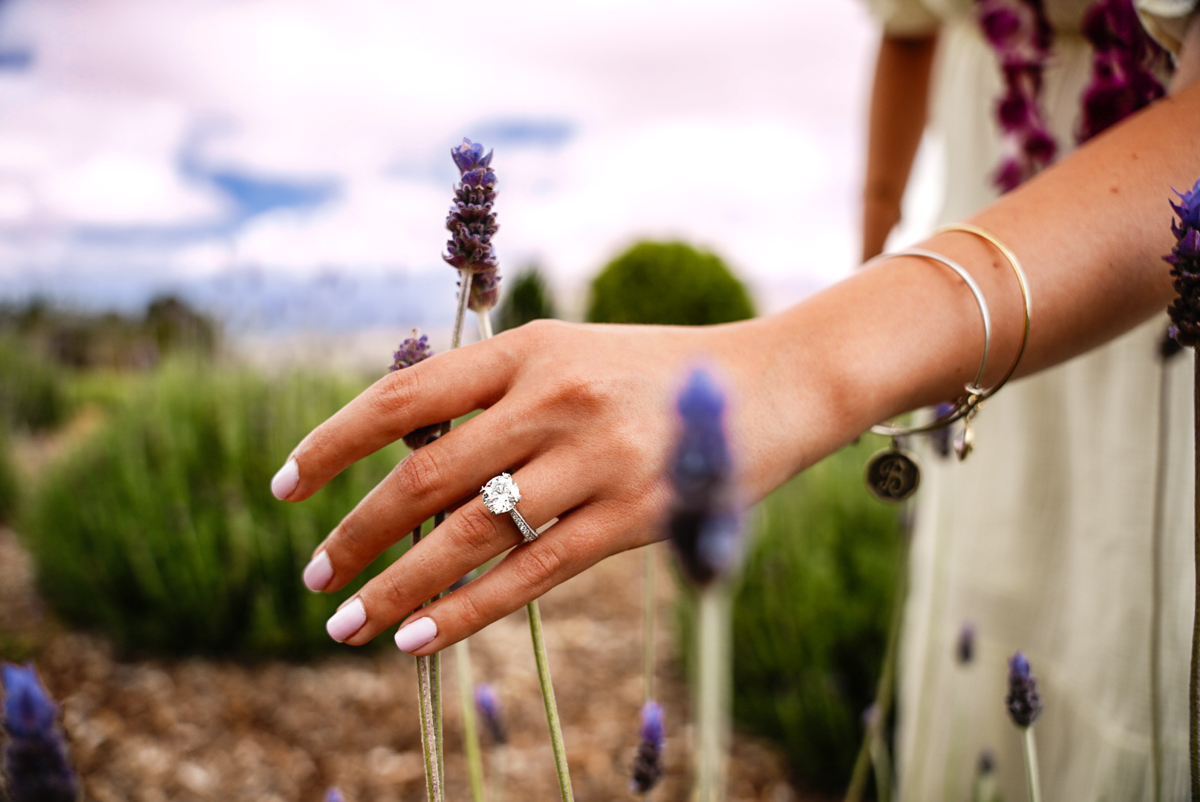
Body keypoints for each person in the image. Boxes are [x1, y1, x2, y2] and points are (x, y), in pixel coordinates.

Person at [269, 11, 1200, 798]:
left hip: (1143, 316)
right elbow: (911, 34)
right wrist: (873, 275)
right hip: (958, 301)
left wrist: (816, 360)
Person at [862, 0, 1196, 796]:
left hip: (1159, 241)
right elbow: (906, 27)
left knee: (1129, 590)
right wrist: (873, 255)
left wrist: (822, 363)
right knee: (981, 568)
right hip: (983, 208)